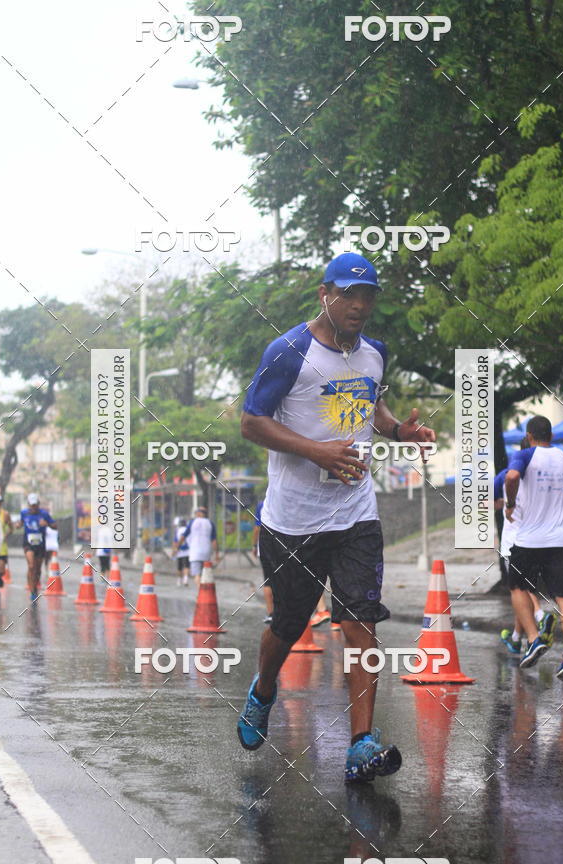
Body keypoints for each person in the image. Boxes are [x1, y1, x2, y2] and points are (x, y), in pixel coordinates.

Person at [236, 251, 435, 783]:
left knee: (359, 620)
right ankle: (264, 689)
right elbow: (251, 422)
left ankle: (360, 743)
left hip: (355, 514)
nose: (359, 305)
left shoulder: (375, 353)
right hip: (293, 521)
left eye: (367, 295)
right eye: (348, 293)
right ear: (325, 294)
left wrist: (399, 431)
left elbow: (372, 406)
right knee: (289, 624)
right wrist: (316, 451)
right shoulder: (288, 352)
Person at [505, 416, 563, 676]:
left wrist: (510, 504)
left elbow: (512, 476)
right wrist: (557, 501)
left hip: (529, 540)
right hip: (561, 541)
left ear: (529, 436)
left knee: (518, 587)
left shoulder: (524, 455)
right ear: (551, 436)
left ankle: (533, 638)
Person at [495, 438, 552, 655]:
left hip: (513, 543)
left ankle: (540, 616)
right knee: (524, 590)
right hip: (539, 541)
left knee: (520, 589)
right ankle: (516, 638)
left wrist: (504, 504)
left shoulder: (506, 475)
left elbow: (489, 501)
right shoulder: (545, 477)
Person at [14, 493, 56, 601]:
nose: (33, 507)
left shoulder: (44, 514)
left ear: (38, 504)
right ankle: (32, 590)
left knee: (38, 570)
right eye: (31, 505)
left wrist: (47, 524)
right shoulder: (24, 513)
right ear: (28, 504)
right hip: (28, 543)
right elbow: (20, 523)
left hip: (40, 544)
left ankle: (35, 586)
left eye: (35, 505)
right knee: (31, 566)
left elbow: (55, 526)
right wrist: (18, 525)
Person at [175, 507, 219, 587]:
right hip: (206, 552)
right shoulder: (210, 523)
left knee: (197, 574)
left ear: (198, 513)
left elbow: (183, 536)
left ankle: (200, 590)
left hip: (195, 552)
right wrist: (217, 554)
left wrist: (178, 547)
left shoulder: (192, 522)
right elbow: (214, 541)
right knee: (204, 573)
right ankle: (203, 589)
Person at [253, 499, 274, 624]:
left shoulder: (261, 505)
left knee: (268, 581)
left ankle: (271, 614)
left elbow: (257, 528)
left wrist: (254, 545)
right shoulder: (283, 500)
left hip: (265, 547)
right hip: (283, 547)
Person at [174, 517, 191, 587]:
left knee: (179, 567)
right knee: (186, 566)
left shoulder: (178, 531)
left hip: (179, 551)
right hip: (187, 551)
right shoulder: (188, 530)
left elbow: (175, 541)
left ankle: (179, 580)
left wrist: (175, 549)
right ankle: (186, 579)